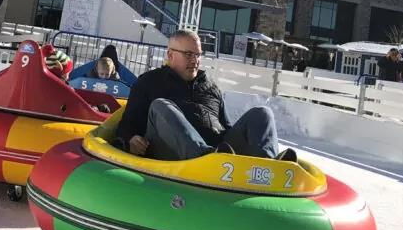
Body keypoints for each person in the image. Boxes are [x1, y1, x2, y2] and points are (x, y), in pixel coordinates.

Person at [116, 29, 295, 162]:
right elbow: (125, 126)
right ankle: (206, 159)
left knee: (262, 114)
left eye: (198, 54)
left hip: (220, 155)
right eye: (188, 54)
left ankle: (266, 168)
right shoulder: (149, 81)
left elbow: (226, 127)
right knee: (161, 105)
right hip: (173, 155)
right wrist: (131, 138)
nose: (195, 60)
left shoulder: (210, 87)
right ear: (170, 55)